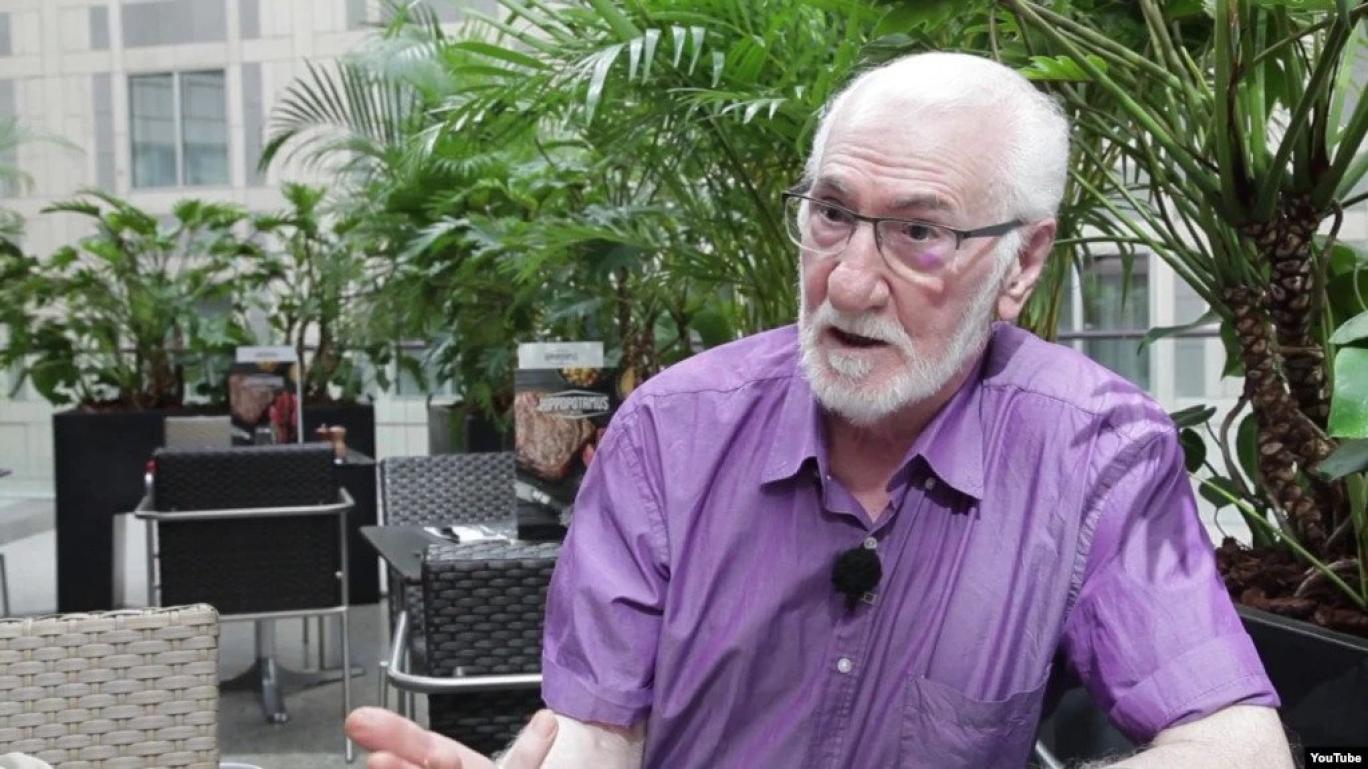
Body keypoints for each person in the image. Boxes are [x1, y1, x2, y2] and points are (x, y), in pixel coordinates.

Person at [348, 52, 1294, 769]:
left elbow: (1240, 741)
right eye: (832, 214)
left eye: (918, 231)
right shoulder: (668, 433)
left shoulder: (1094, 449)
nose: (847, 282)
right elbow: (599, 733)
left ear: (1024, 263)